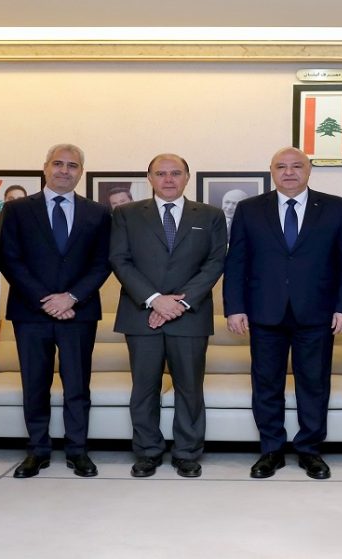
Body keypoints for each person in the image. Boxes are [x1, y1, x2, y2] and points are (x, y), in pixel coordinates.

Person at [223, 147, 342, 480]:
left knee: (314, 384)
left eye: (296, 166)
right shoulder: (249, 209)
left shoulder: (338, 208)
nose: (289, 172)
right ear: (271, 171)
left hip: (318, 313)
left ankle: (310, 450)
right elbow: (236, 261)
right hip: (264, 312)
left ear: (309, 170)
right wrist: (234, 307)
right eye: (281, 166)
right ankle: (271, 450)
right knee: (266, 384)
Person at [109, 154, 227, 478]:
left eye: (176, 173)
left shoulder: (211, 215)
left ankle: (187, 453)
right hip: (140, 314)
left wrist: (179, 304)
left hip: (190, 316)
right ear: (149, 178)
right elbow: (119, 260)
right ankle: (147, 452)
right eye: (160, 173)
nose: (168, 179)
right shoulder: (126, 214)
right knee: (144, 389)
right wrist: (155, 300)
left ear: (187, 177)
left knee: (190, 389)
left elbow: (215, 262)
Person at [0, 144, 111, 479]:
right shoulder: (17, 210)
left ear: (81, 172)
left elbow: (102, 262)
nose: (64, 170)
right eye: (58, 164)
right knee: (35, 384)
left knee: (77, 385)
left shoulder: (98, 213)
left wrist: (71, 298)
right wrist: (46, 299)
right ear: (45, 167)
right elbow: (9, 259)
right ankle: (37, 451)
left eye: (72, 165)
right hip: (31, 313)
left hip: (79, 313)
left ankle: (78, 450)